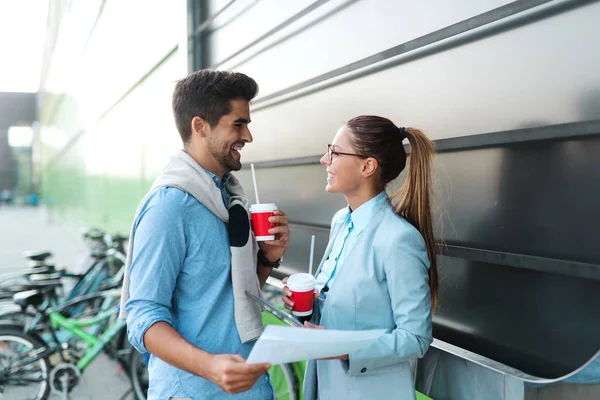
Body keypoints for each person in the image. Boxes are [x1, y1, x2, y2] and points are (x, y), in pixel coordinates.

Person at [122, 70, 290, 399]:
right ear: (201, 126)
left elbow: (229, 294)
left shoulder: (229, 196)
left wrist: (268, 258)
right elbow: (142, 315)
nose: (248, 137)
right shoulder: (169, 207)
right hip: (196, 391)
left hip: (251, 387)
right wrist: (209, 366)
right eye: (238, 124)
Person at [282, 116, 438, 400]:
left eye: (335, 152)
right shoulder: (341, 222)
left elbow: (416, 338)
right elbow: (338, 314)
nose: (324, 159)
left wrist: (340, 347)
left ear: (368, 166)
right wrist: (304, 307)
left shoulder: (398, 239)